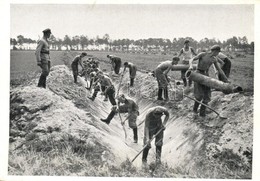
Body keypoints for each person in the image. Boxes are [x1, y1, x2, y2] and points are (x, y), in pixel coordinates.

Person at [188, 45, 228, 117]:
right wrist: (191, 66)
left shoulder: (214, 59)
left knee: (207, 95)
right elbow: (191, 60)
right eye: (218, 52)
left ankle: (202, 114)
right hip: (198, 74)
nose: (218, 54)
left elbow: (220, 70)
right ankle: (194, 111)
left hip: (206, 75)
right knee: (199, 96)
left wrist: (226, 80)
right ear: (215, 51)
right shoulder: (203, 54)